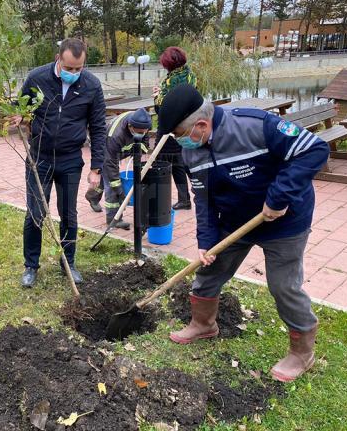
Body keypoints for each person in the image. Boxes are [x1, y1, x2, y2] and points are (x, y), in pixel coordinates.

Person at [158, 84, 329, 383]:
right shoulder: (193, 153)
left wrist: (278, 197)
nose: (181, 143)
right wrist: (207, 242)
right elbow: (204, 199)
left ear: (201, 124)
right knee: (210, 270)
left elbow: (314, 150)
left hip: (285, 220)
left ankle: (302, 353)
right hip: (236, 222)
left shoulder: (256, 126)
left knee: (283, 286)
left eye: (181, 136)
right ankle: (203, 324)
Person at [14, 38, 106, 288]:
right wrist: (18, 117)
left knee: (69, 213)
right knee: (35, 213)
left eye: (79, 69)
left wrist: (96, 168)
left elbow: (98, 128)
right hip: (39, 159)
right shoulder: (37, 78)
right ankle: (31, 266)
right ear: (58, 59)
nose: (74, 73)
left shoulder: (91, 86)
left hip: (70, 160)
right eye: (69, 68)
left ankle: (69, 262)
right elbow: (21, 107)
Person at [85, 107, 152, 229]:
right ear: (130, 126)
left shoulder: (143, 122)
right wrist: (119, 190)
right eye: (138, 132)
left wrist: (141, 150)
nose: (141, 134)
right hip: (105, 151)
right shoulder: (115, 136)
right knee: (111, 185)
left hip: (120, 150)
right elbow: (110, 163)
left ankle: (92, 196)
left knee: (106, 179)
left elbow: (145, 140)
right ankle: (113, 219)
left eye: (143, 132)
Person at [153, 46, 197, 211]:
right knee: (179, 163)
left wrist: (157, 96)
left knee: (160, 164)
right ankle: (188, 198)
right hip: (186, 127)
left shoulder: (169, 82)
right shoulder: (191, 77)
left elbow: (162, 110)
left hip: (168, 129)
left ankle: (159, 200)